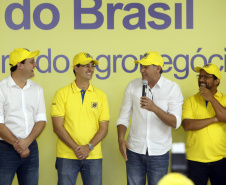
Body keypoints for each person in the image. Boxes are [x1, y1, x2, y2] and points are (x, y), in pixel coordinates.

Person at [116, 51, 183, 185]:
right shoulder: (132, 86)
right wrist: (121, 138)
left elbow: (175, 123)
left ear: (158, 68)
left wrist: (155, 108)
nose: (141, 70)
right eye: (141, 66)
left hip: (159, 152)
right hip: (134, 150)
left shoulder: (172, 88)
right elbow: (123, 117)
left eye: (146, 67)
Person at [51, 52, 110, 185]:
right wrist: (77, 148)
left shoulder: (100, 95)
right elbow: (57, 127)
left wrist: (88, 148)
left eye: (92, 66)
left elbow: (104, 127)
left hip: (93, 155)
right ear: (75, 68)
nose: (91, 69)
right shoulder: (61, 94)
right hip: (66, 155)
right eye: (86, 66)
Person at [0, 48, 47, 185]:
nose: (35, 65)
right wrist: (19, 145)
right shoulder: (1, 89)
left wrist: (27, 143)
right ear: (20, 65)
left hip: (31, 148)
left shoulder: (37, 89)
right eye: (32, 62)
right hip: (5, 150)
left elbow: (41, 121)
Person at [182, 63, 226, 185]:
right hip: (194, 161)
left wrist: (211, 98)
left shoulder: (224, 99)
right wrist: (214, 119)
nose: (201, 79)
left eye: (206, 77)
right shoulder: (190, 100)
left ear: (217, 80)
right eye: (200, 76)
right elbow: (187, 125)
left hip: (220, 160)